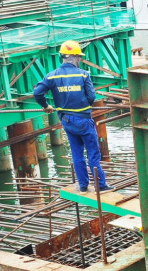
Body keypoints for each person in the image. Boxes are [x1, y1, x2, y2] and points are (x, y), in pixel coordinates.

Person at [33, 40, 110, 193]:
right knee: (93, 153)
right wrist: (82, 104)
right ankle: (100, 185)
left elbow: (37, 93)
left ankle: (83, 186)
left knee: (77, 153)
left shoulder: (52, 76)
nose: (80, 60)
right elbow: (91, 97)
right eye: (79, 57)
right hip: (83, 119)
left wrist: (46, 106)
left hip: (67, 120)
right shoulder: (83, 74)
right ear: (74, 57)